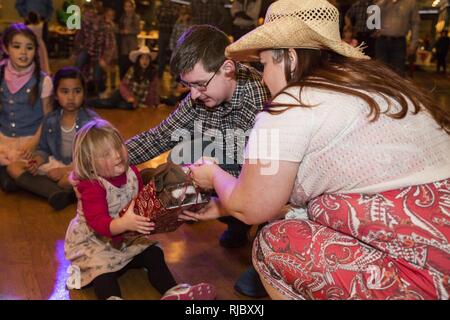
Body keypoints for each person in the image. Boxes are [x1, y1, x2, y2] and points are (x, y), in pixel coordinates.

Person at [183, 0, 450, 300]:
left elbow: (251, 206)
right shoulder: (374, 84)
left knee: (273, 242)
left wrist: (213, 176)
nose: (263, 76)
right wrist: (220, 206)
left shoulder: (292, 105)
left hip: (425, 273)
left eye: (265, 64)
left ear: (291, 58)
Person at [126, 25, 270, 297]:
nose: (193, 95)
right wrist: (111, 157)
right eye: (188, 85)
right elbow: (160, 136)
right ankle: (238, 223)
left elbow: (270, 180)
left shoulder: (259, 99)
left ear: (228, 69)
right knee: (181, 156)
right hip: (232, 167)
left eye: (200, 84)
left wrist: (222, 199)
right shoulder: (200, 96)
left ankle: (264, 258)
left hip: (262, 177)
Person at [64, 118, 216, 300]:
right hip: (96, 243)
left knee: (154, 253)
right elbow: (99, 223)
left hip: (127, 238)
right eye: (105, 154)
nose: (116, 155)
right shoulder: (92, 185)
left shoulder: (132, 172)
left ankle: (174, 291)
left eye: (118, 146)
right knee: (102, 271)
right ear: (90, 164)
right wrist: (124, 223)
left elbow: (142, 201)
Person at [6, 67, 98, 210]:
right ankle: (59, 193)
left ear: (84, 93)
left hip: (80, 167)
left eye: (77, 91)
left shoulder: (92, 121)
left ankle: (47, 188)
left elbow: (94, 157)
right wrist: (36, 161)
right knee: (13, 167)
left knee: (66, 181)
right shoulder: (50, 120)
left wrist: (66, 170)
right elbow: (43, 149)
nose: (71, 97)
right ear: (55, 94)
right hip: (56, 163)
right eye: (65, 91)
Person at [0, 23, 53, 193]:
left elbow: (48, 117)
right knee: (8, 163)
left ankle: (13, 178)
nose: (23, 52)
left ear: (36, 51)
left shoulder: (43, 80)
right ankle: (11, 178)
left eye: (29, 48)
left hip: (30, 140)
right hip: (3, 139)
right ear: (6, 48)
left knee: (34, 163)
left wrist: (33, 142)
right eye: (17, 46)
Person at [88, 46, 159, 109]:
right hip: (123, 94)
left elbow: (154, 90)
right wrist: (129, 97)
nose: (144, 61)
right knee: (108, 103)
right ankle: (87, 102)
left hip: (134, 102)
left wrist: (155, 104)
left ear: (150, 61)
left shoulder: (152, 73)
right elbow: (123, 85)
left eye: (147, 59)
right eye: (142, 59)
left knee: (128, 106)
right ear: (138, 60)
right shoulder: (133, 70)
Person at [374, 0, 420, 76]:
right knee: (380, 72)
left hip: (399, 42)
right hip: (381, 41)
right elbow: (370, 15)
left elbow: (415, 23)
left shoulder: (410, 3)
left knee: (398, 72)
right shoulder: (381, 2)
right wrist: (382, 2)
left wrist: (413, 43)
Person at [118, 0, 141, 78]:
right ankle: (122, 82)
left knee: (132, 63)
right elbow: (119, 29)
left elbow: (138, 30)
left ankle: (132, 80)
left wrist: (129, 31)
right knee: (123, 64)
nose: (128, 8)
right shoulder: (122, 17)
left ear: (133, 7)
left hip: (132, 44)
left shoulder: (136, 17)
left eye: (129, 6)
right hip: (124, 44)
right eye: (126, 6)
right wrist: (121, 31)